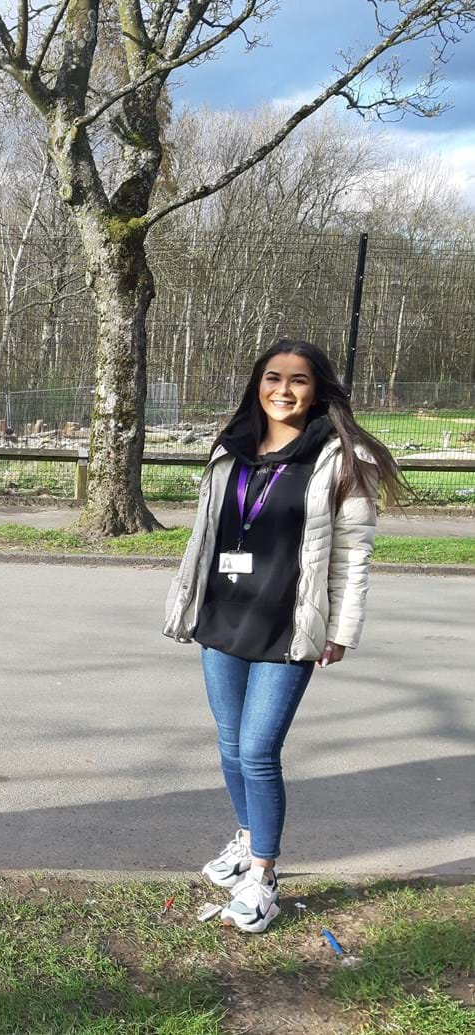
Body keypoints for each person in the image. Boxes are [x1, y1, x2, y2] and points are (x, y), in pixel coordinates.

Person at [164, 339, 402, 933]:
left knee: (258, 750)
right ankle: (246, 839)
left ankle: (264, 874)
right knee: (227, 741)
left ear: (318, 388)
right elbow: (206, 536)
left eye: (299, 379)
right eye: (273, 377)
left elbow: (352, 558)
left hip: (288, 626)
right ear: (257, 383)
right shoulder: (232, 448)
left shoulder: (341, 459)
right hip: (223, 615)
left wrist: (341, 631)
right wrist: (186, 601)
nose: (284, 390)